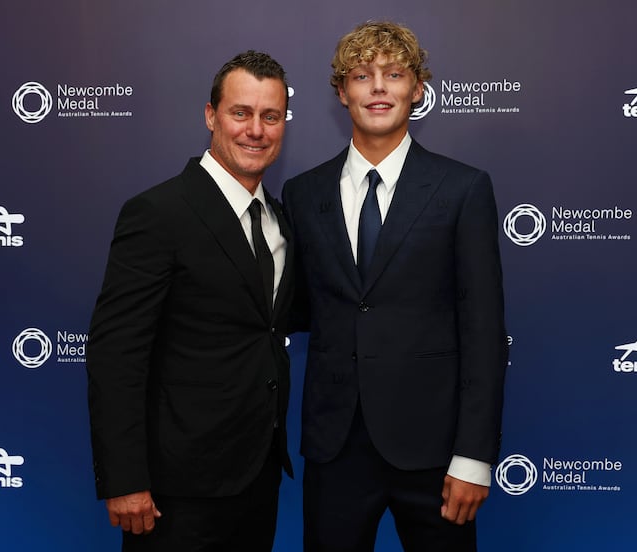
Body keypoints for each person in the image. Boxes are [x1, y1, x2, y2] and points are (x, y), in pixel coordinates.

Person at [282, 22, 508, 551]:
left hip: (435, 453)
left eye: (394, 74)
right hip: (335, 450)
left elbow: (483, 331)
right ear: (342, 92)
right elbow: (292, 310)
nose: (378, 87)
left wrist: (474, 458)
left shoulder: (463, 189)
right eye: (362, 75)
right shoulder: (302, 192)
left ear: (417, 89)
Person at [86, 50, 294, 551]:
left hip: (259, 476)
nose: (256, 130)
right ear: (211, 115)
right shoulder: (158, 213)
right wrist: (125, 478)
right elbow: (116, 353)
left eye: (270, 116)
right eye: (240, 113)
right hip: (174, 488)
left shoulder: (280, 220)